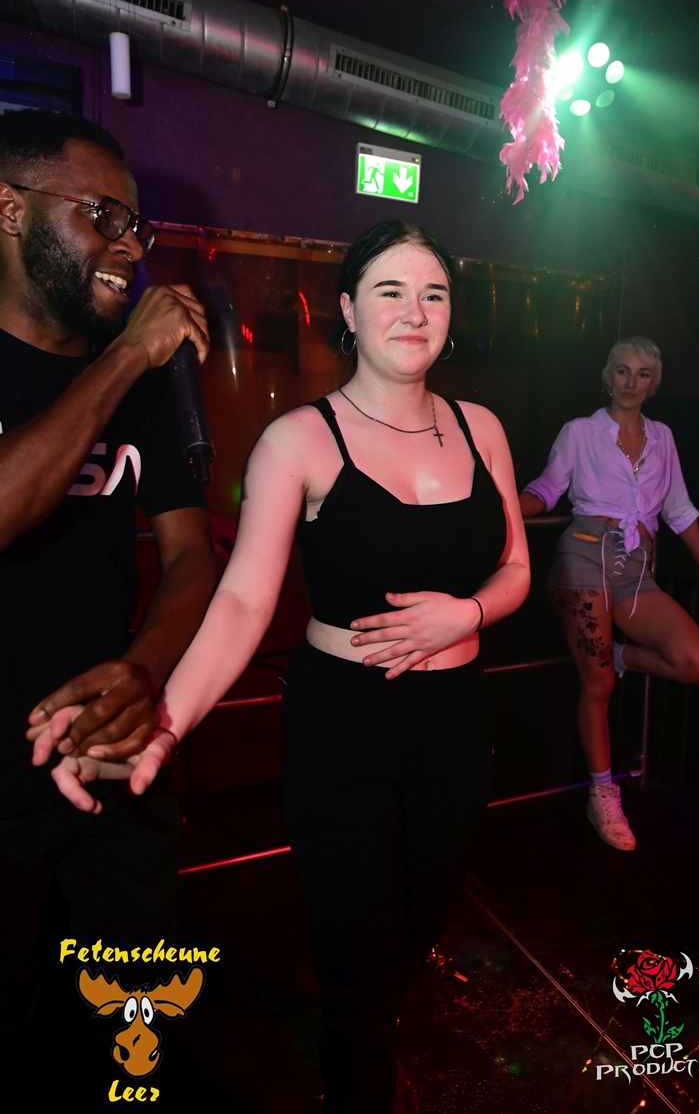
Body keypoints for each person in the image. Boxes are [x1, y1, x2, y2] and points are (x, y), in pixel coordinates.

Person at [45, 220, 530, 1112]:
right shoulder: (299, 441)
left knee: (416, 931)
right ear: (348, 309)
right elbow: (239, 602)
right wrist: (165, 722)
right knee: (360, 971)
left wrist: (464, 614)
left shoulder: (483, 429)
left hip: (457, 724)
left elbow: (515, 570)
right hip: (343, 728)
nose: (415, 312)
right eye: (390, 291)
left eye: (433, 294)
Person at [0, 109, 217, 1046]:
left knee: (136, 1038)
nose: (130, 246)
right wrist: (130, 355)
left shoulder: (149, 388)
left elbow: (191, 556)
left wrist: (144, 669)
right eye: (104, 217)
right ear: (10, 209)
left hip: (113, 760)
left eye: (138, 228)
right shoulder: (131, 366)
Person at [519, 336, 699, 851]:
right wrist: (502, 508)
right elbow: (546, 490)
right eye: (622, 371)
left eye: (642, 374)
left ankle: (618, 655)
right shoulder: (581, 431)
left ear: (653, 383)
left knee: (698, 662)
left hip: (636, 570)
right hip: (583, 558)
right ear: (608, 376)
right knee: (598, 683)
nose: (630, 382)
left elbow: (679, 509)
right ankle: (603, 794)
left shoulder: (663, 437)